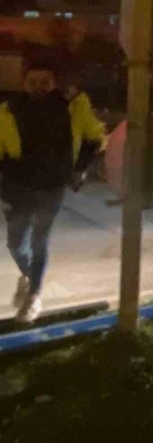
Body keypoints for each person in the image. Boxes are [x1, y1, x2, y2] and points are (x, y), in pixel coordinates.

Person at [0, 61, 105, 323]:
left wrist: (81, 168)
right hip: (17, 188)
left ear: (54, 82)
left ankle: (34, 295)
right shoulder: (8, 110)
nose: (38, 87)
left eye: (44, 81)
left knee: (39, 241)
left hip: (53, 186)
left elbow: (94, 136)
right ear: (23, 83)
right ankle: (29, 277)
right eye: (32, 81)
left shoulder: (73, 106)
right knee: (15, 243)